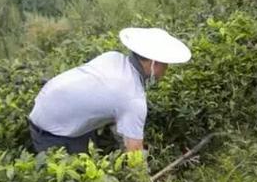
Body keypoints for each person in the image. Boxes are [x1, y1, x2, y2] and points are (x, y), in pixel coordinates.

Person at [28, 27, 191, 154]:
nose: (166, 70)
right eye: (166, 64)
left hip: (49, 102)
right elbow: (134, 156)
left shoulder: (112, 57)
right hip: (52, 130)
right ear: (154, 64)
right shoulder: (132, 99)